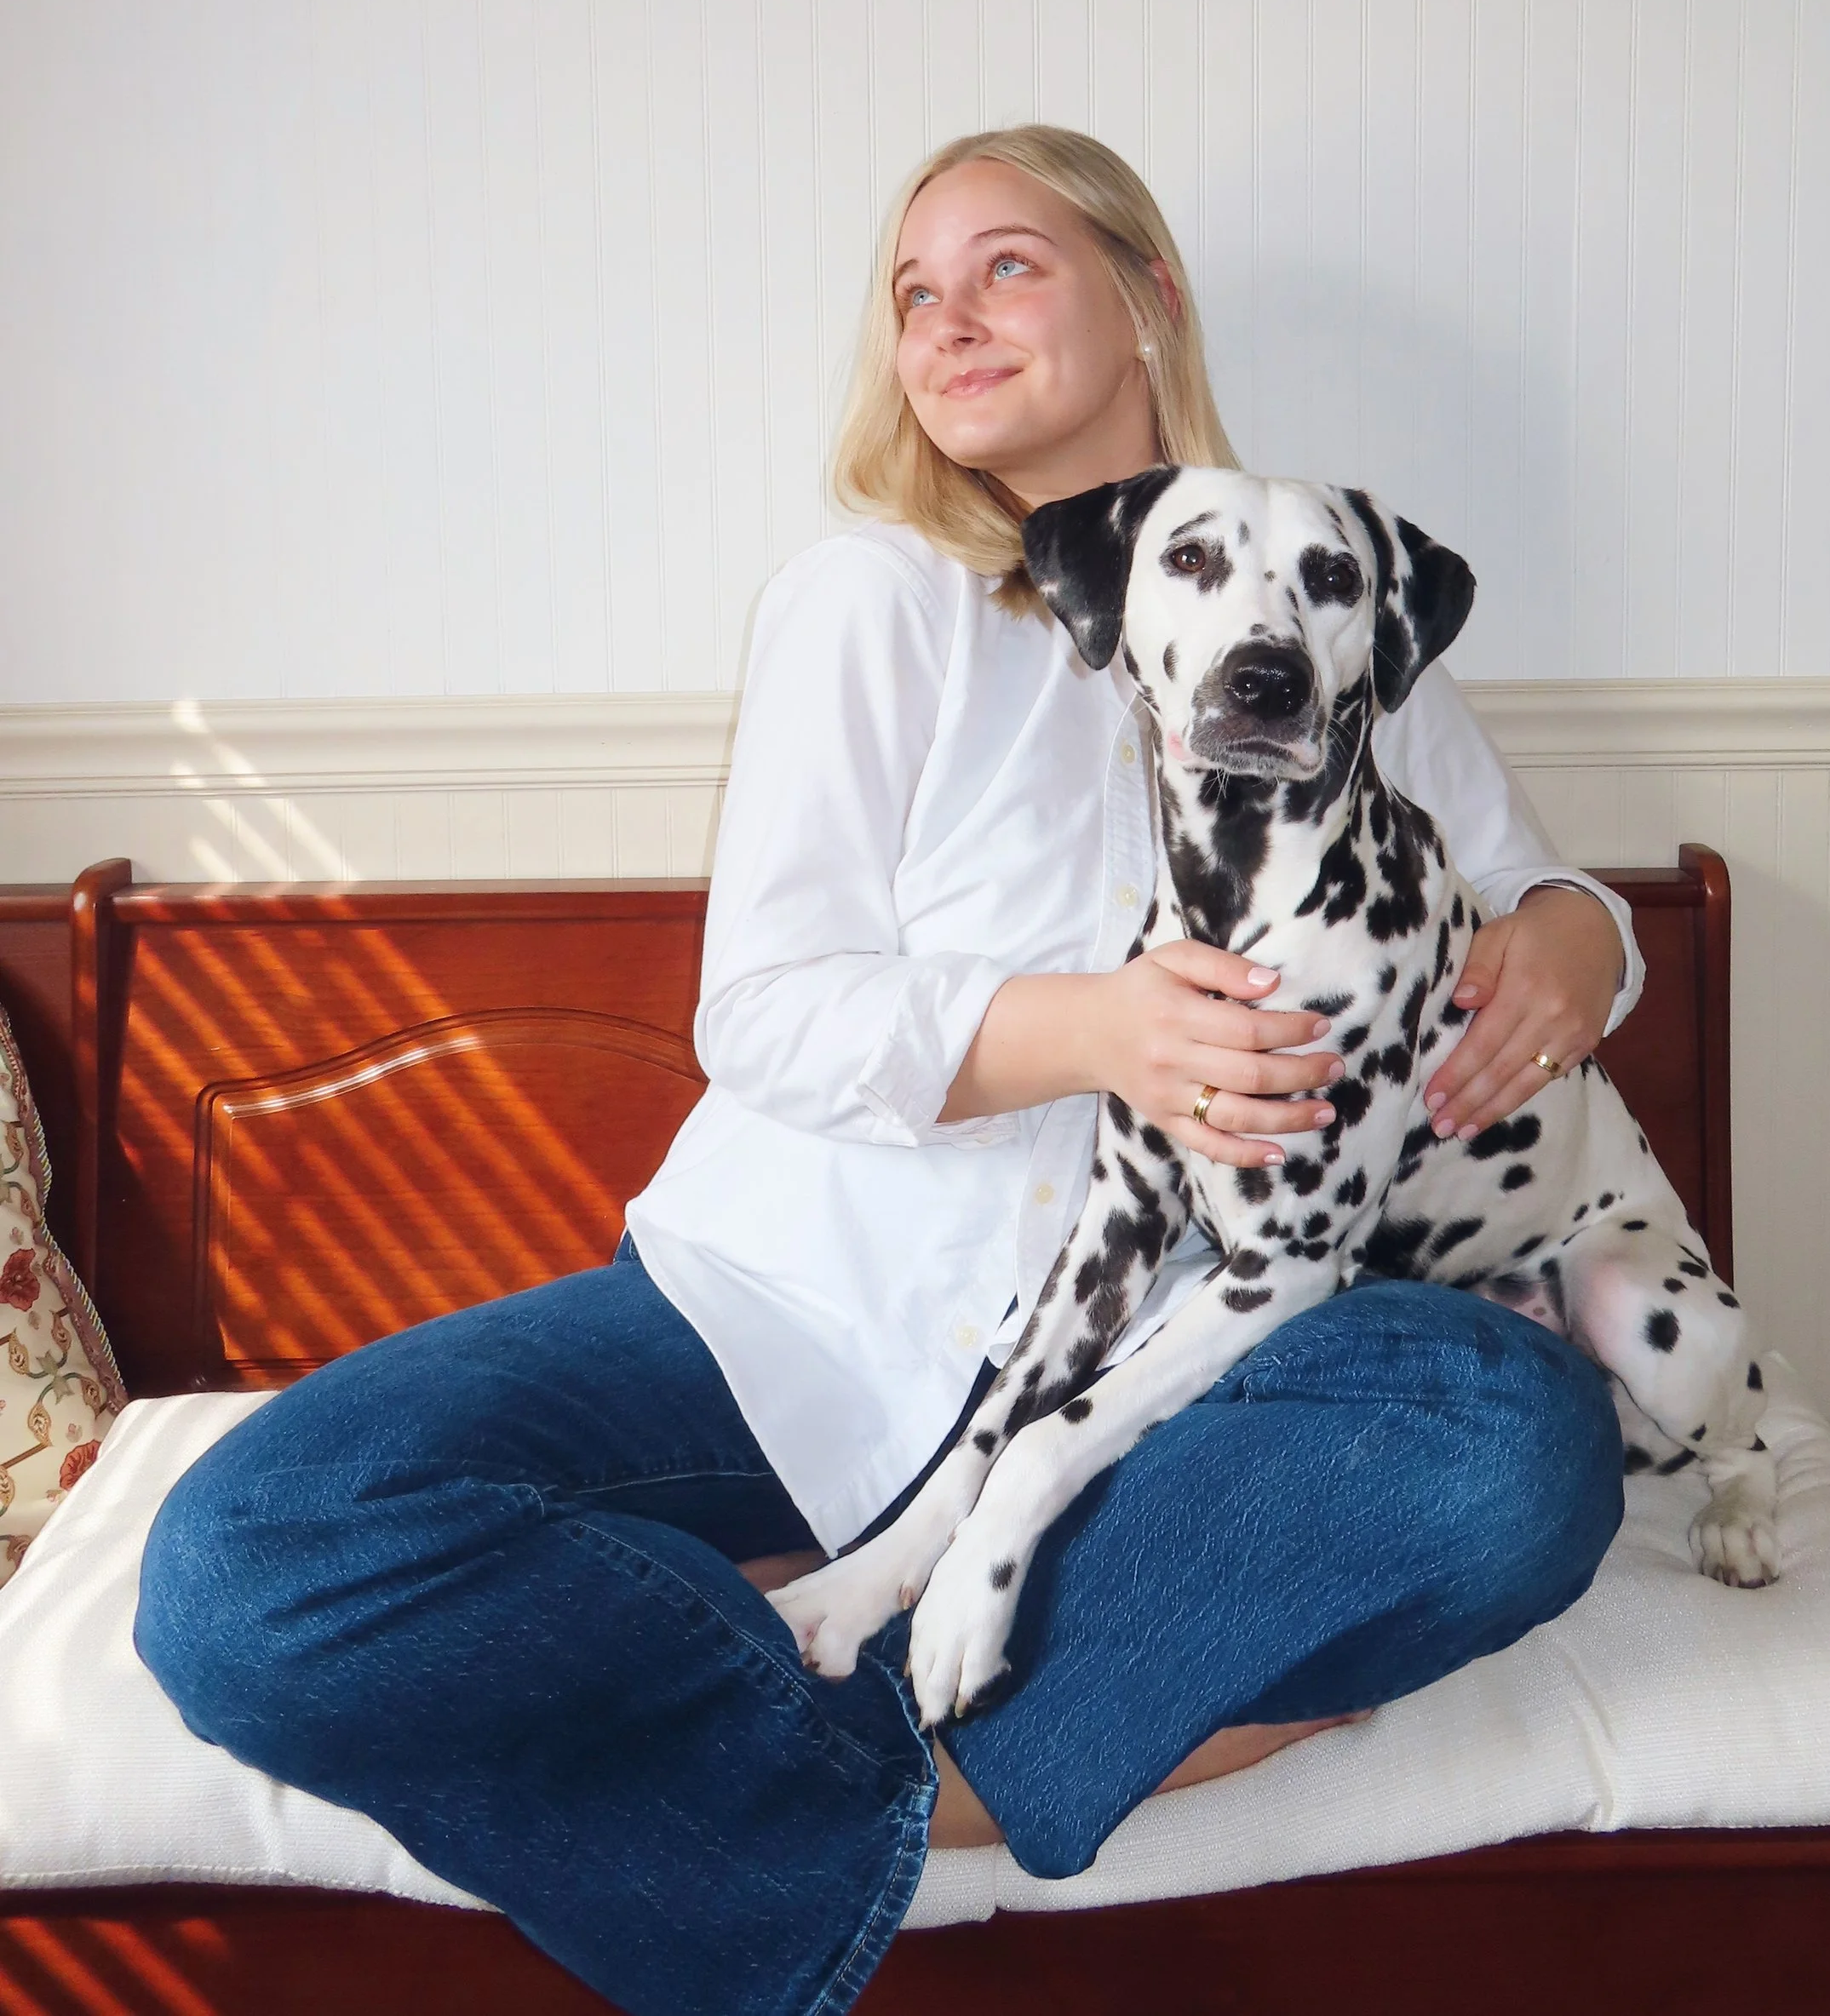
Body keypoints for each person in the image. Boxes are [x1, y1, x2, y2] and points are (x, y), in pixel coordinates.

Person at [135, 128, 1636, 2016]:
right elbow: (760, 1008)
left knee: (1513, 1442)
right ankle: (921, 1776)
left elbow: (1527, 880)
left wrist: (1579, 933)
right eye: (913, 293)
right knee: (250, 1564)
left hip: (1164, 1363)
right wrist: (1097, 1029)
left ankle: (867, 1697)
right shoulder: (874, 602)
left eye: (1005, 266)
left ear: (1145, 295)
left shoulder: (1317, 595)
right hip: (786, 1323)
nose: (948, 318)